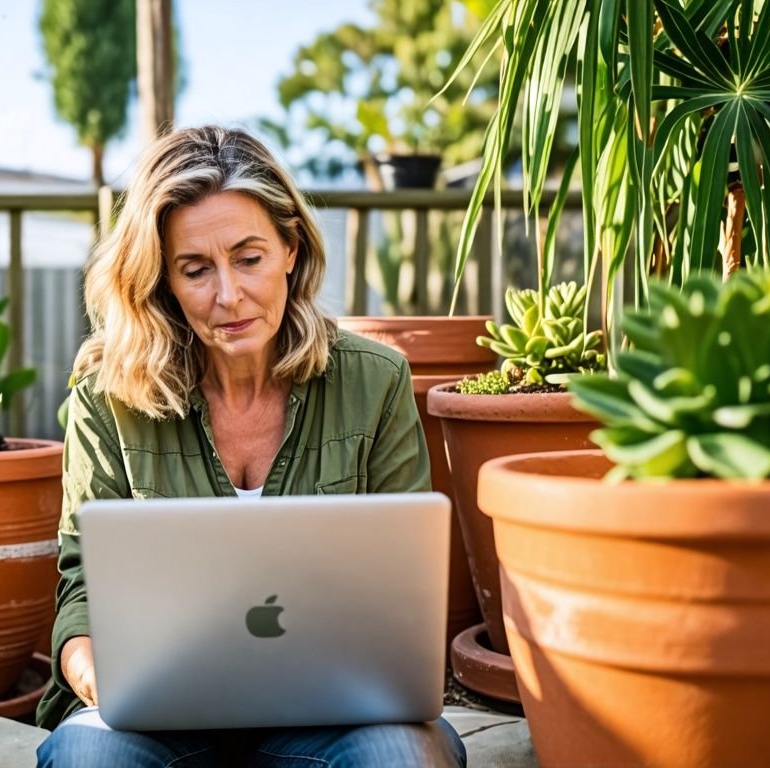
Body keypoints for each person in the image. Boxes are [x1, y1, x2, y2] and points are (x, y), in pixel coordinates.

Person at [34, 125, 466, 768]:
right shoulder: (109, 395)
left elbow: (407, 592)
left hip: (332, 717)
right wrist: (104, 681)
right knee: (87, 759)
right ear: (162, 281)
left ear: (290, 248)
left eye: (249, 257)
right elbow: (81, 588)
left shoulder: (376, 381)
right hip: (157, 724)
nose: (228, 295)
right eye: (196, 269)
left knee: (401, 756)